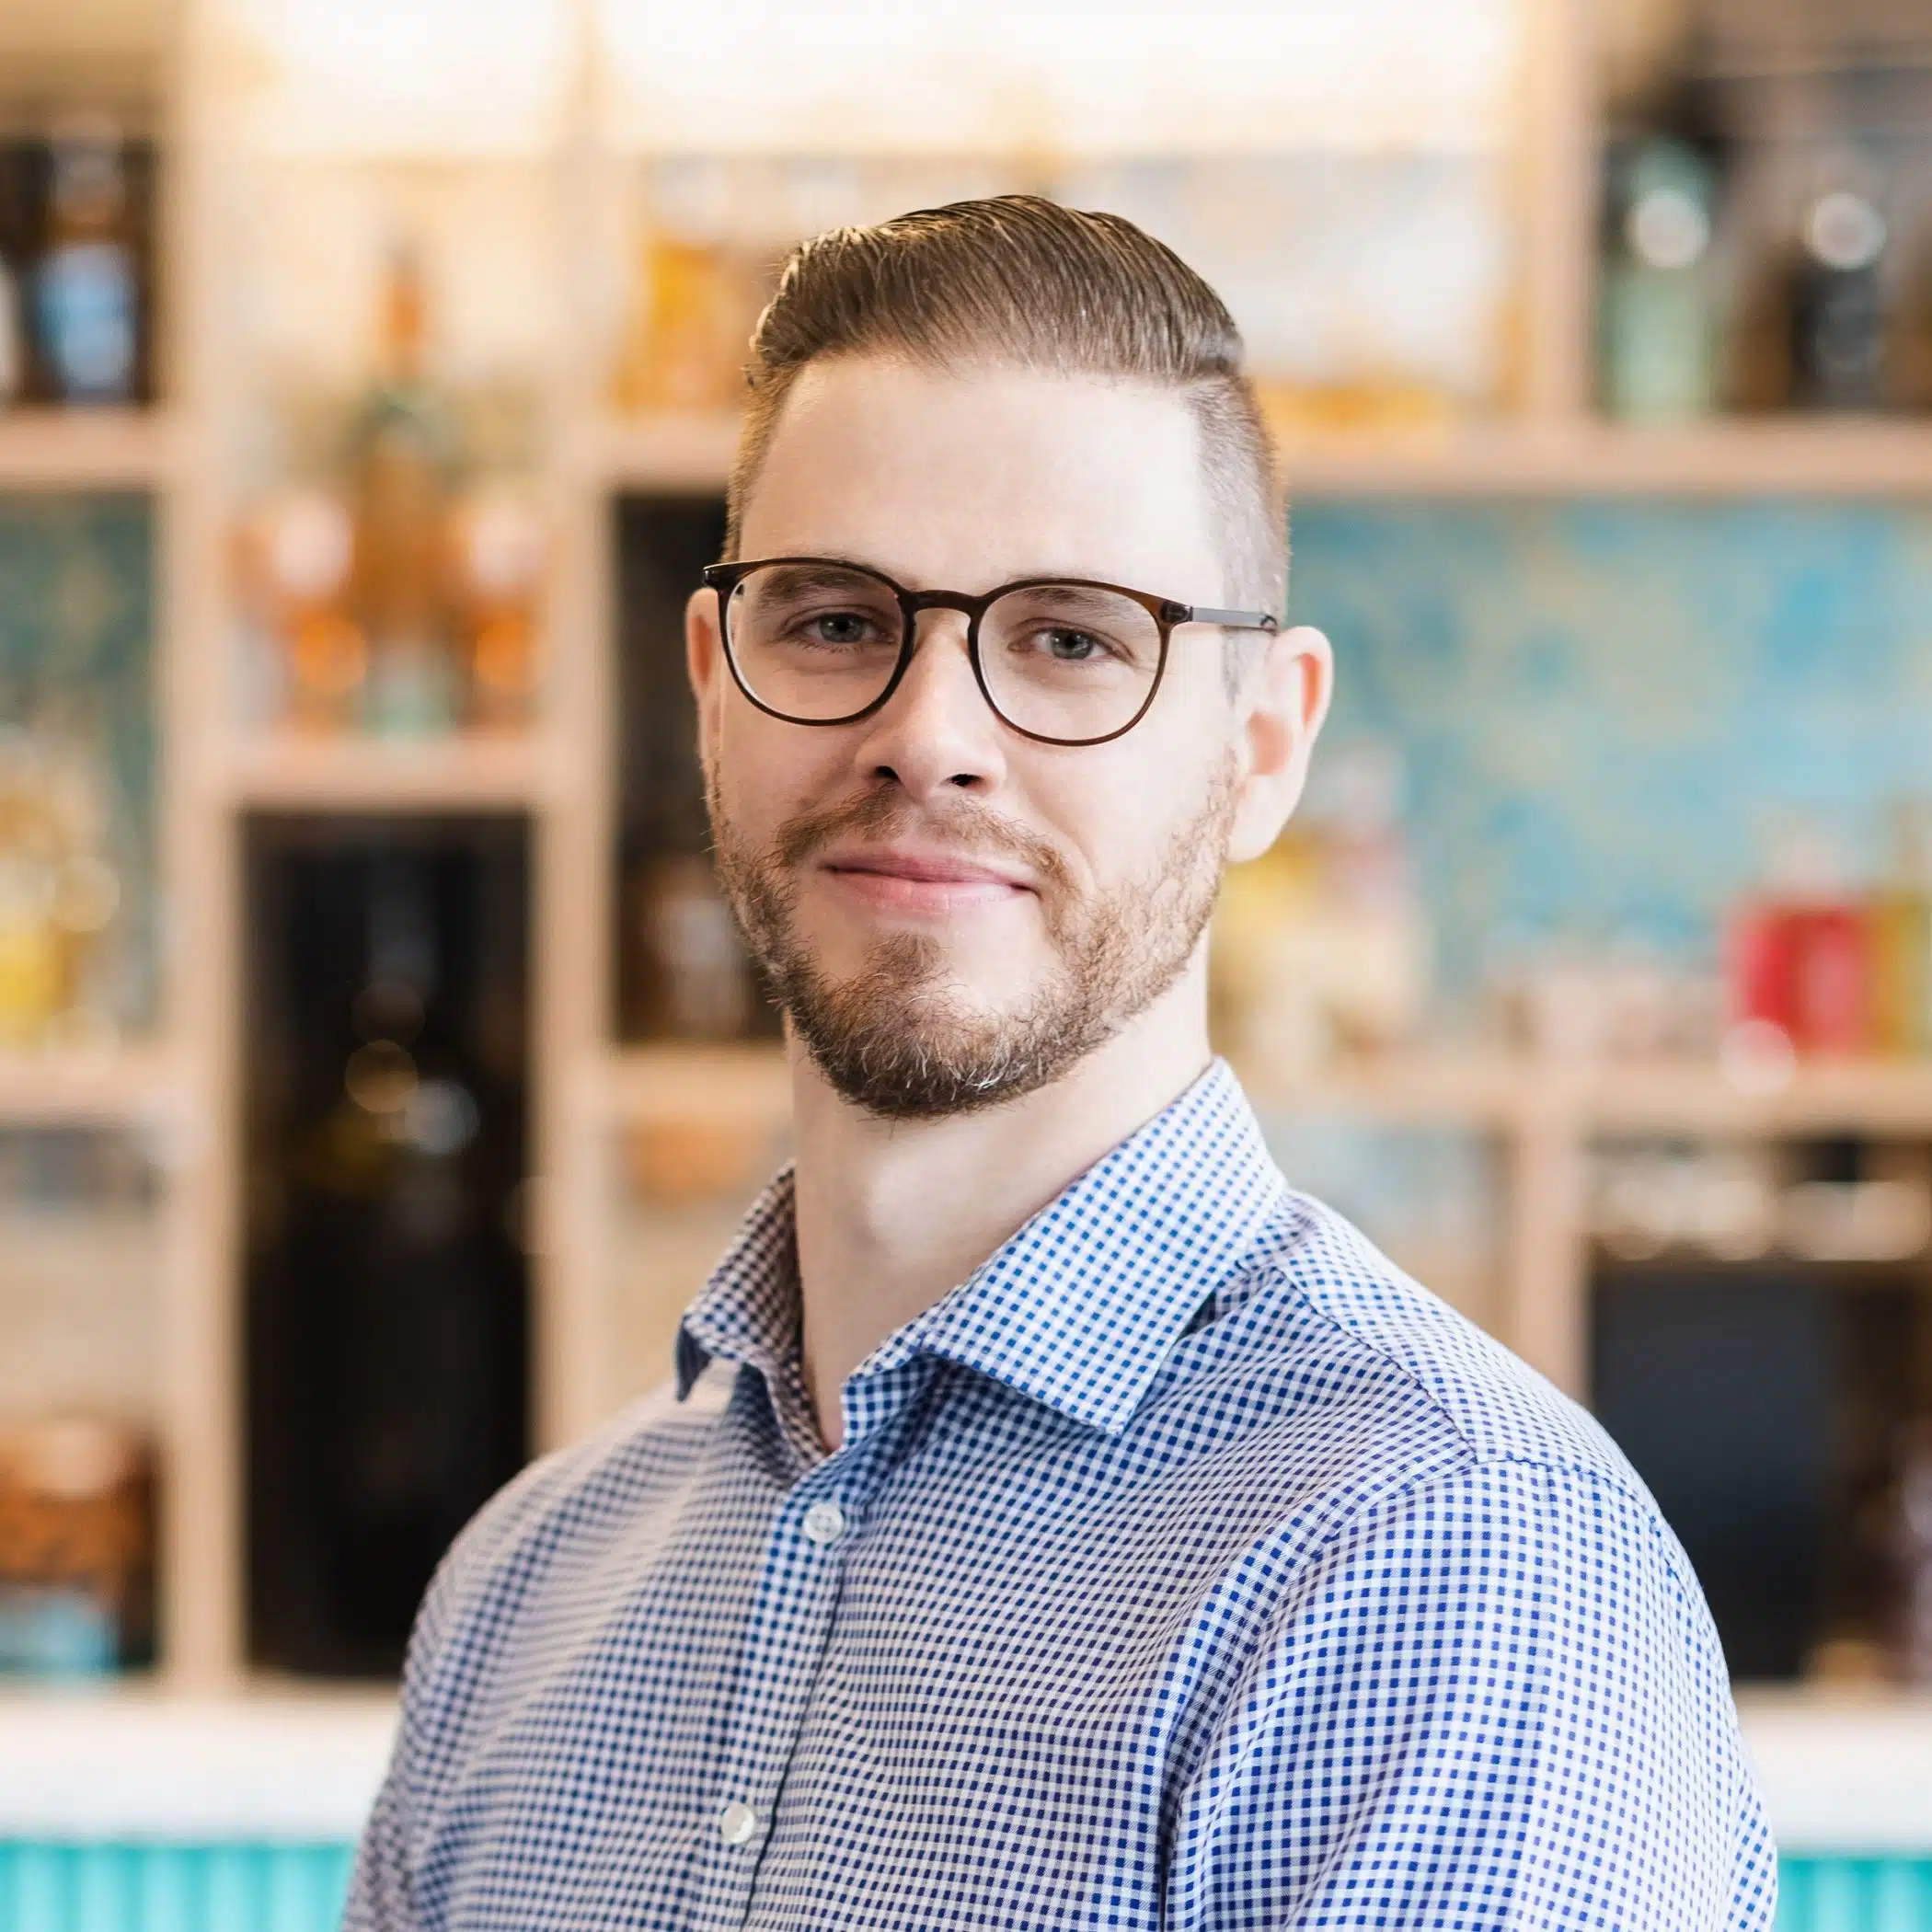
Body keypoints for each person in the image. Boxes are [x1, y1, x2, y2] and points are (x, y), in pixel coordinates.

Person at [346, 196, 1774, 1931]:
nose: (929, 734)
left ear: (1262, 748)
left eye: (1074, 639)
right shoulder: (522, 1592)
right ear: (714, 695)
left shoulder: (1444, 1561)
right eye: (834, 620)